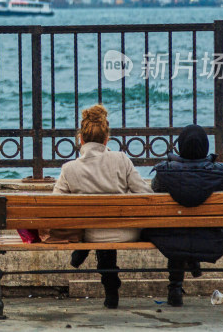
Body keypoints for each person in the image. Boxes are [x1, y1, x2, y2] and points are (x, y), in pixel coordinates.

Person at [52, 104, 152, 309]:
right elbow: (145, 196)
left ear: (80, 139)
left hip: (90, 235)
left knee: (96, 230)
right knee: (108, 227)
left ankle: (98, 270)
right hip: (126, 233)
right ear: (107, 139)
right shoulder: (121, 159)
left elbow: (56, 207)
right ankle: (110, 286)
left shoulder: (69, 169)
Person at [143, 124, 223, 307]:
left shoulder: (165, 173)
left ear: (181, 146)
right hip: (211, 237)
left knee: (178, 228)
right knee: (188, 228)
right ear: (206, 147)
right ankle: (192, 263)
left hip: (171, 236)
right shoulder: (221, 173)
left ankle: (175, 287)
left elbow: (154, 191)